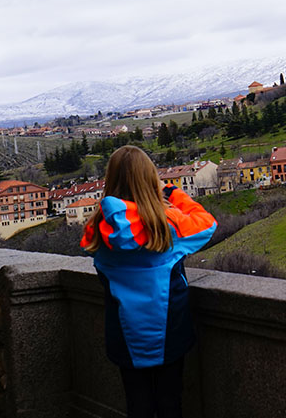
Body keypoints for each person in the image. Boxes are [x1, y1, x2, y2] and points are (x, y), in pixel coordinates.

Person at [81, 146, 217, 418]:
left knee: (137, 404)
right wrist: (173, 193)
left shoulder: (98, 227)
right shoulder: (168, 224)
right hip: (169, 329)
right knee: (170, 402)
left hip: (124, 332)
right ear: (150, 179)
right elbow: (207, 224)